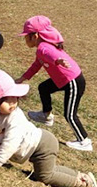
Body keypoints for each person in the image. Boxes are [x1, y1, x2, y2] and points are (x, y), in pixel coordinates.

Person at [0, 69, 97, 187]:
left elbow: (11, 142)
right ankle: (81, 176)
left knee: (45, 176)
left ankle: (83, 184)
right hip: (36, 145)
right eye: (7, 100)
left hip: (42, 145)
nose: (13, 103)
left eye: (15, 98)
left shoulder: (14, 118)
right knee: (49, 169)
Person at [14, 15, 92, 152]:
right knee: (43, 87)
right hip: (63, 80)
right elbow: (36, 66)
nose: (25, 39)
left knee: (69, 114)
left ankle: (84, 141)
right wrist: (22, 78)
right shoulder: (42, 49)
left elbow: (52, 56)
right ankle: (46, 115)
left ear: (36, 36)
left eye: (27, 36)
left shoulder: (43, 48)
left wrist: (58, 61)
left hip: (72, 81)